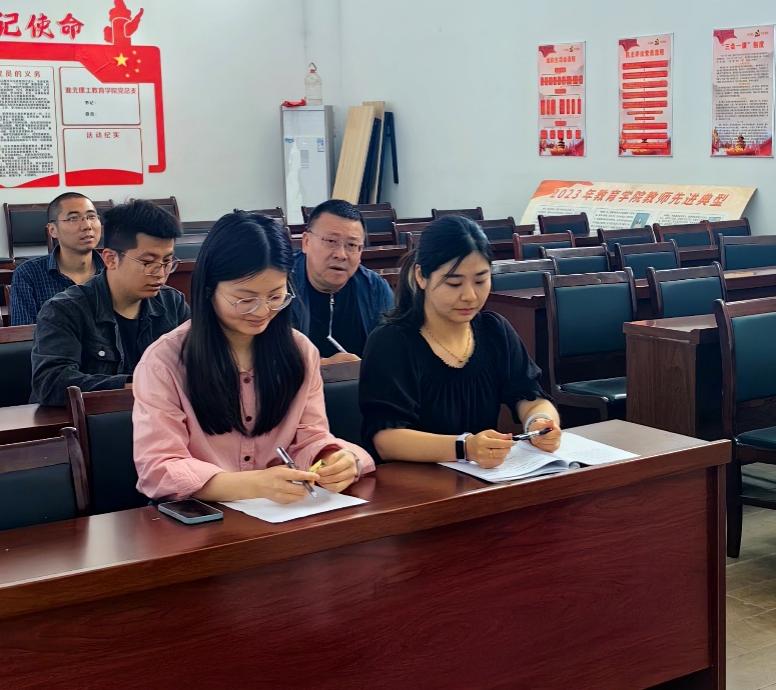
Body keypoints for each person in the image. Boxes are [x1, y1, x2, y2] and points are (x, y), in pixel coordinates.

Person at [133, 211, 375, 503]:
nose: (262, 311)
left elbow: (310, 436)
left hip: (282, 512)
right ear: (209, 289)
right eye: (245, 299)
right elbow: (159, 467)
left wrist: (334, 458)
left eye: (275, 297)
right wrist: (253, 485)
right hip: (202, 517)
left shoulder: (300, 352)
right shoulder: (165, 361)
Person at [359, 215, 562, 464]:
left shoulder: (494, 330)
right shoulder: (391, 342)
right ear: (421, 276)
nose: (470, 296)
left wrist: (539, 422)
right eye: (454, 283)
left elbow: (530, 395)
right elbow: (386, 440)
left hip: (481, 476)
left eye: (480, 280)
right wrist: (464, 447)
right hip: (411, 480)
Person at [30, 199, 189, 406]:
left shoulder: (172, 303)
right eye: (148, 262)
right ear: (111, 259)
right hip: (88, 421)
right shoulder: (64, 310)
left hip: (160, 415)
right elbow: (51, 383)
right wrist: (135, 385)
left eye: (167, 262)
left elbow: (198, 363)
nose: (160, 273)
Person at [290, 199, 393, 365]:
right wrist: (319, 367)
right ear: (306, 242)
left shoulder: (375, 289)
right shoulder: (281, 284)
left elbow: (391, 352)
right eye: (331, 241)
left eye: (352, 245)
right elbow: (267, 355)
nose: (341, 254)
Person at [10, 192, 105, 325]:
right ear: (52, 230)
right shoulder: (28, 274)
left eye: (91, 217)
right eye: (73, 218)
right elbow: (23, 333)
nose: (87, 226)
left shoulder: (114, 270)